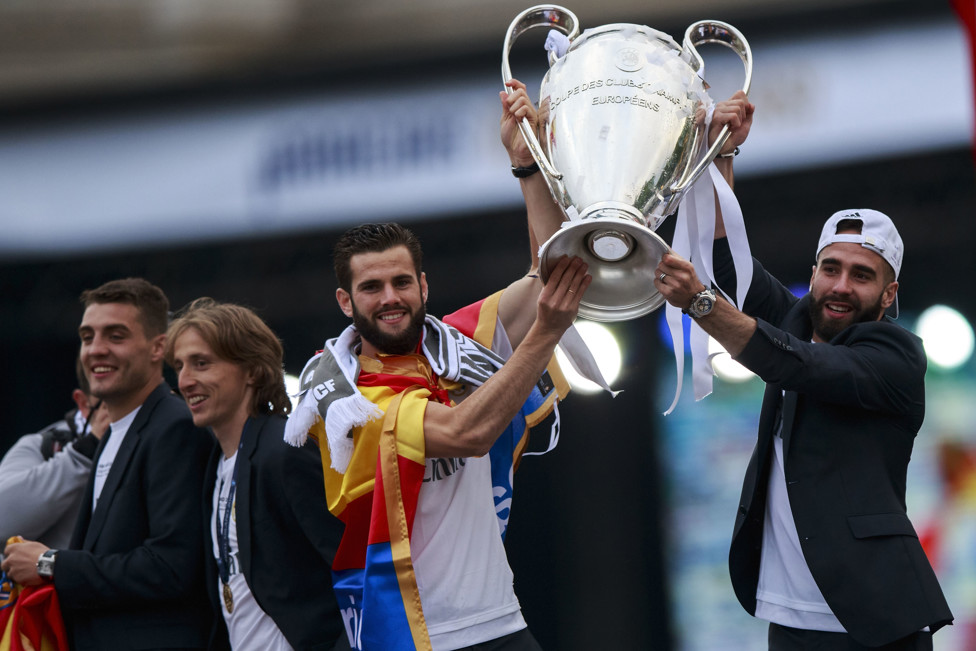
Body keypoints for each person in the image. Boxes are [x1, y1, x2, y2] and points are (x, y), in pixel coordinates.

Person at [282, 81, 588, 651]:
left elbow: (554, 273)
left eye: (401, 281)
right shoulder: (345, 397)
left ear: (424, 285)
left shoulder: (458, 342)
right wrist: (545, 333)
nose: (390, 297)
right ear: (346, 303)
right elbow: (467, 433)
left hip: (503, 622)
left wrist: (528, 169)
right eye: (370, 288)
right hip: (421, 636)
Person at [655, 93, 954, 649]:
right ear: (813, 272)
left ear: (889, 295)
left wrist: (701, 304)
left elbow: (796, 363)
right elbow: (727, 260)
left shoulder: (898, 355)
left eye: (861, 276)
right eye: (831, 268)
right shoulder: (797, 317)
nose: (841, 286)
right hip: (792, 623)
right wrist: (722, 155)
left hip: (875, 624)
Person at [1, 277, 215, 651]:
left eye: (115, 336)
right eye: (88, 337)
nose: (96, 350)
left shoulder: (174, 427)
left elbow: (171, 567)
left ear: (157, 347)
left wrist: (50, 563)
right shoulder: (113, 434)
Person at [165, 297, 348, 651]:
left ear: (251, 370)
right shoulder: (215, 467)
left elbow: (352, 567)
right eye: (179, 366)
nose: (185, 381)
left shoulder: (284, 452)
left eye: (201, 363)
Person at [0, 358, 110, 549]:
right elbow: (3, 524)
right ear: (83, 404)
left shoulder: (157, 443)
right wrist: (84, 454)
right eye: (112, 404)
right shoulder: (45, 447)